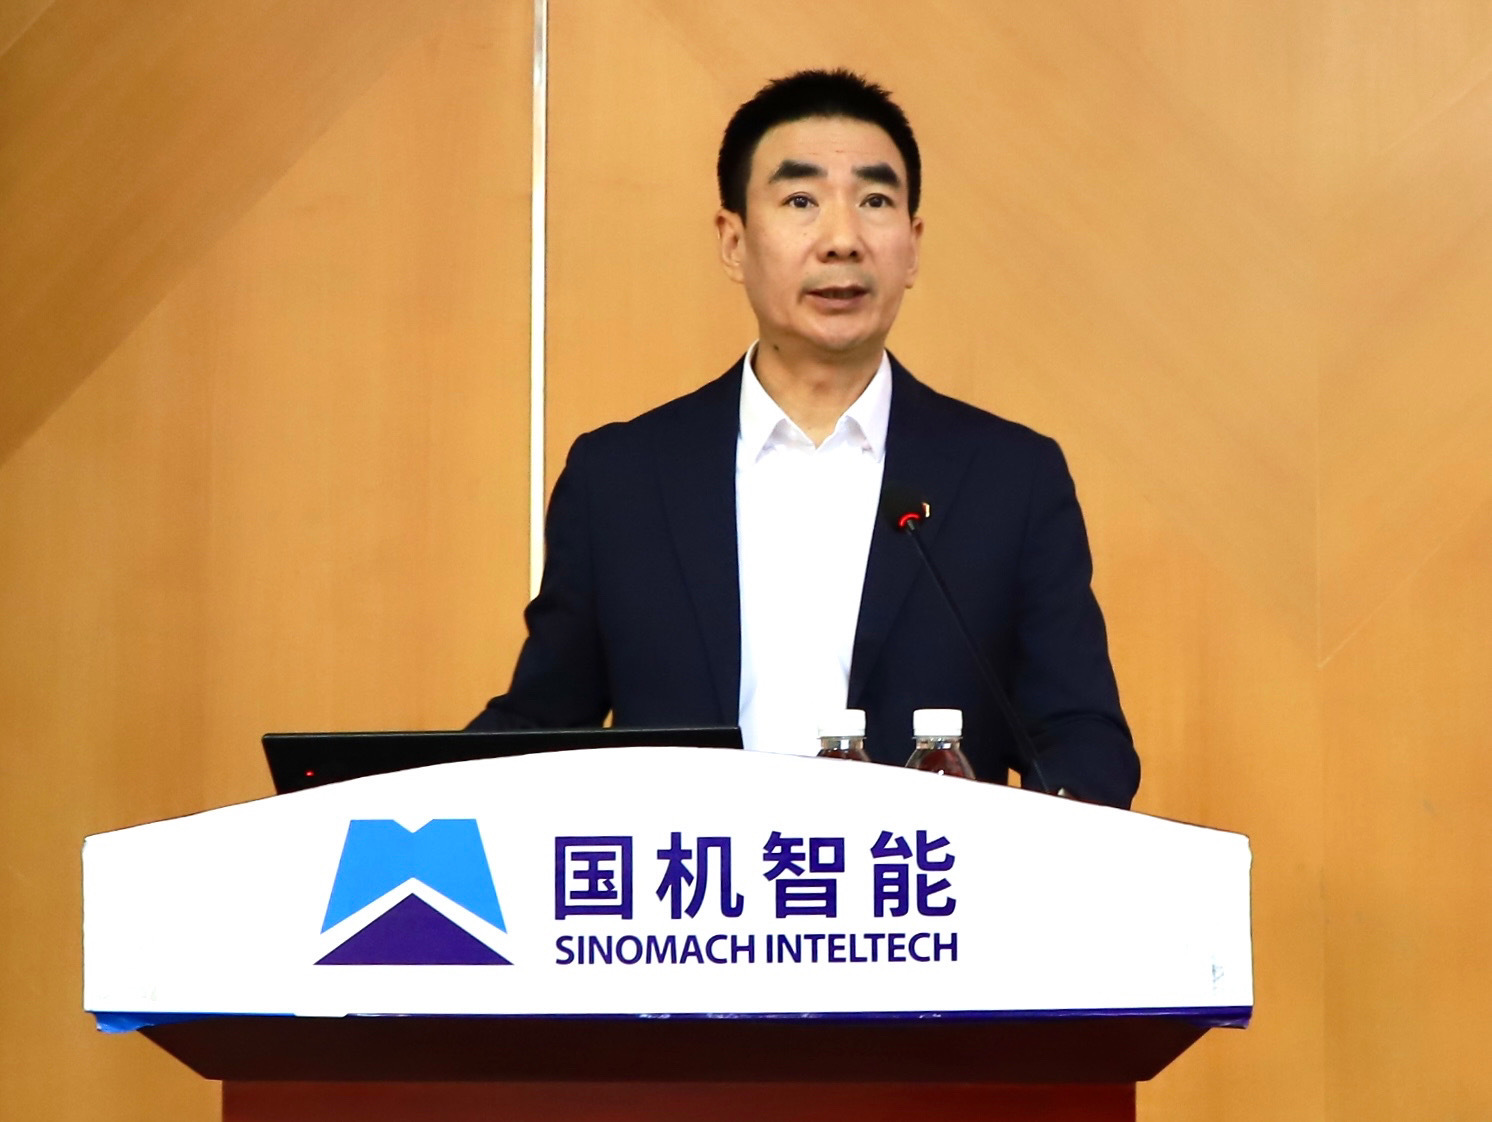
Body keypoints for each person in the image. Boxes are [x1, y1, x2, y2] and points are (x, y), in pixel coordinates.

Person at [469, 70, 1140, 809]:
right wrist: (393, 799)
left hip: (913, 879)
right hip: (693, 876)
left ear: (913, 246)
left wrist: (1042, 838)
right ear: (734, 242)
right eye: (800, 202)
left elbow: (1079, 737)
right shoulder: (622, 479)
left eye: (875, 202)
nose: (842, 240)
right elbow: (540, 725)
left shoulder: (1009, 479)